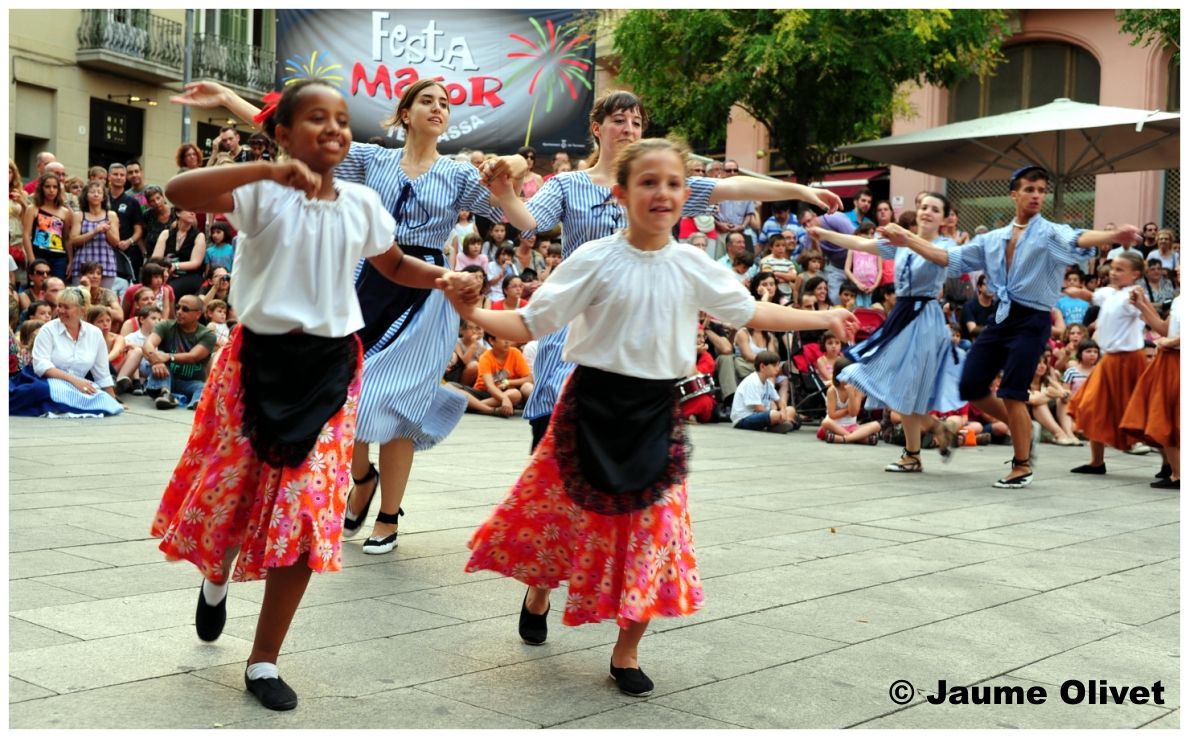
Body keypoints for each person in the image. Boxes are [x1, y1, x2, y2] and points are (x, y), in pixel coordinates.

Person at [444, 137, 858, 698]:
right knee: (561, 520)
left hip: (656, 415)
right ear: (620, 194)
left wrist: (826, 315)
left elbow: (748, 310)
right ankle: (539, 591)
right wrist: (471, 310)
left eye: (673, 184)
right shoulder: (592, 258)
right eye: (648, 182)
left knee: (655, 532)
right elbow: (530, 322)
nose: (661, 193)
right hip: (587, 408)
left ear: (686, 197)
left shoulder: (693, 265)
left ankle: (627, 649)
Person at [152, 79, 479, 711]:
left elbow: (394, 267)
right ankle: (215, 579)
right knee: (233, 498)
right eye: (317, 119)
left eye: (342, 120)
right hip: (255, 366)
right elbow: (177, 191)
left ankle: (265, 659)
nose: (334, 129)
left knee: (304, 516)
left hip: (332, 369)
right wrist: (271, 171)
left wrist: (445, 278)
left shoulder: (361, 202)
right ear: (282, 134)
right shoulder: (262, 193)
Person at [490, 90, 844, 454]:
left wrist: (799, 189)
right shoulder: (570, 186)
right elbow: (530, 221)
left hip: (638, 327)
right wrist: (506, 195)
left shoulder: (657, 184)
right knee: (559, 433)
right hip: (579, 319)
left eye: (636, 122)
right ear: (597, 128)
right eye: (619, 121)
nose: (628, 129)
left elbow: (731, 186)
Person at [888, 165, 1138, 488]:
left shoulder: (1049, 232)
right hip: (1001, 318)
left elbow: (1078, 237)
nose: (1036, 195)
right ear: (1014, 194)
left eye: (1041, 190)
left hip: (1032, 320)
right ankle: (1022, 427)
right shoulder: (992, 239)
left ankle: (1021, 466)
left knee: (1013, 392)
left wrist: (1113, 236)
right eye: (1029, 189)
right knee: (971, 385)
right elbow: (948, 258)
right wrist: (907, 240)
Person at [810, 192, 963, 473]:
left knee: (905, 389)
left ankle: (914, 453)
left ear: (944, 218)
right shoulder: (900, 244)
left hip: (925, 319)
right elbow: (862, 244)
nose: (927, 212)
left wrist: (906, 239)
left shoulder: (945, 245)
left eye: (935, 209)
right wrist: (825, 234)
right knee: (902, 389)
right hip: (902, 317)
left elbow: (941, 260)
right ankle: (933, 434)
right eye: (924, 207)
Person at [1065, 253, 1151, 475]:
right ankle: (1097, 461)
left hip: (1129, 360)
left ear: (1135, 275)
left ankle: (1169, 463)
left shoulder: (1131, 297)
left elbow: (1142, 310)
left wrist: (1141, 300)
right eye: (1113, 267)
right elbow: (1092, 296)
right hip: (1109, 359)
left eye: (1121, 269)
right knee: (1092, 405)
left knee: (1139, 412)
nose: (1114, 272)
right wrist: (1077, 292)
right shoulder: (1108, 293)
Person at [10, 286, 123, 417]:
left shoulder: (95, 334)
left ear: (82, 310)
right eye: (59, 306)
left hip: (77, 385)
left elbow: (102, 373)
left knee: (102, 399)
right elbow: (41, 366)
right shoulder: (48, 329)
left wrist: (112, 400)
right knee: (42, 390)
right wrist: (75, 381)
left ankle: (60, 406)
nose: (61, 311)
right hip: (42, 380)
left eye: (66, 307)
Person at [1121, 292, 1180, 488]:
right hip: (1170, 360)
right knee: (1166, 417)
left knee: (1174, 417)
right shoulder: (1180, 300)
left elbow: (1171, 337)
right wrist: (1142, 305)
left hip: (1177, 358)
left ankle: (1179, 474)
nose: (1179, 269)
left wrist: (1174, 342)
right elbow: (1165, 329)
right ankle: (1177, 473)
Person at [730, 350, 797, 432]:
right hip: (744, 418)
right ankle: (782, 423)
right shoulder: (752, 381)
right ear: (762, 366)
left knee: (790, 409)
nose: (778, 368)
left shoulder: (768, 383)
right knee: (774, 415)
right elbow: (759, 409)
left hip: (763, 415)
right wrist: (778, 415)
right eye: (774, 366)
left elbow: (779, 402)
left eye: (778, 365)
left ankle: (779, 424)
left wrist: (783, 412)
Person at [22, 172, 73, 280]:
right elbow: (26, 235)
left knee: (57, 291)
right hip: (39, 256)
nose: (51, 190)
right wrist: (32, 260)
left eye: (55, 187)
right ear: (41, 188)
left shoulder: (65, 212)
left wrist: (70, 261)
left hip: (59, 259)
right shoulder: (33, 208)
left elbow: (67, 239)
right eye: (47, 186)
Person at [69, 182, 120, 286]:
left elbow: (116, 242)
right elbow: (73, 241)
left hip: (106, 263)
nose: (96, 194)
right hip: (83, 263)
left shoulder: (111, 215)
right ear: (86, 196)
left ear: (103, 197)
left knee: (104, 298)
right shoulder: (79, 215)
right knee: (80, 298)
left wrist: (107, 230)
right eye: (92, 192)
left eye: (99, 192)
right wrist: (94, 231)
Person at [151, 208, 207, 297]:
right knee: (146, 290)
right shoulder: (166, 233)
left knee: (167, 290)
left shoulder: (199, 236)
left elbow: (195, 263)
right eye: (188, 209)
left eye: (194, 211)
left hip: (190, 276)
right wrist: (165, 269)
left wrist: (175, 266)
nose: (193, 212)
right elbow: (155, 259)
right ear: (178, 213)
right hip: (165, 274)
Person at [817, 374, 881, 444]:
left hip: (852, 427)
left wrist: (851, 393)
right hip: (834, 426)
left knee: (876, 425)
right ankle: (858, 438)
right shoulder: (832, 390)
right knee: (825, 422)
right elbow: (832, 415)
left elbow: (853, 413)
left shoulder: (858, 390)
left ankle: (844, 438)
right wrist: (848, 409)